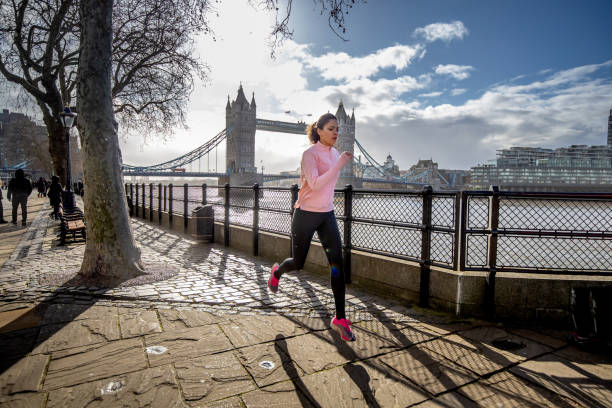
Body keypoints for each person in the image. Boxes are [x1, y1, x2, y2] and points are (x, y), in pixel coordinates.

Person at [268, 113, 356, 341]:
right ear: (319, 131)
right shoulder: (309, 155)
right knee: (298, 263)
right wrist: (339, 165)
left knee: (338, 264)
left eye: (338, 129)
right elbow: (316, 184)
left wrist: (337, 162)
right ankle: (277, 272)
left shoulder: (335, 153)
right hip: (305, 214)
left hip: (327, 214)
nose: (336, 133)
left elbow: (327, 187)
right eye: (331, 129)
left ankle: (340, 317)